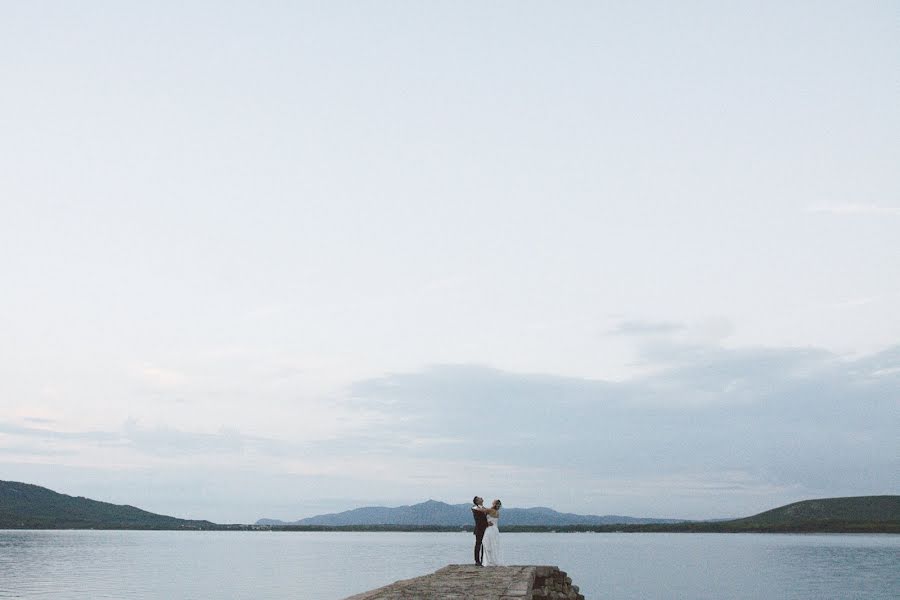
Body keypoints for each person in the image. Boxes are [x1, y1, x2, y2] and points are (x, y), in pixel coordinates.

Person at [478, 499, 503, 566]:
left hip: (490, 529)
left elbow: (481, 510)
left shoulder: (490, 510)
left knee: (487, 544)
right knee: (493, 545)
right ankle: (493, 560)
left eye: (493, 502)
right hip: (495, 530)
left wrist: (476, 506)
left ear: (494, 503)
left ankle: (489, 561)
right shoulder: (497, 512)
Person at [471, 496, 491, 566]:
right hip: (479, 529)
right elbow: (478, 520)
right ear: (477, 501)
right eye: (479, 498)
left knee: (484, 545)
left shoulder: (484, 508)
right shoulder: (475, 508)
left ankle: (483, 560)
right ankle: (477, 561)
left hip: (486, 529)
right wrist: (487, 523)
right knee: (478, 544)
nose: (481, 498)